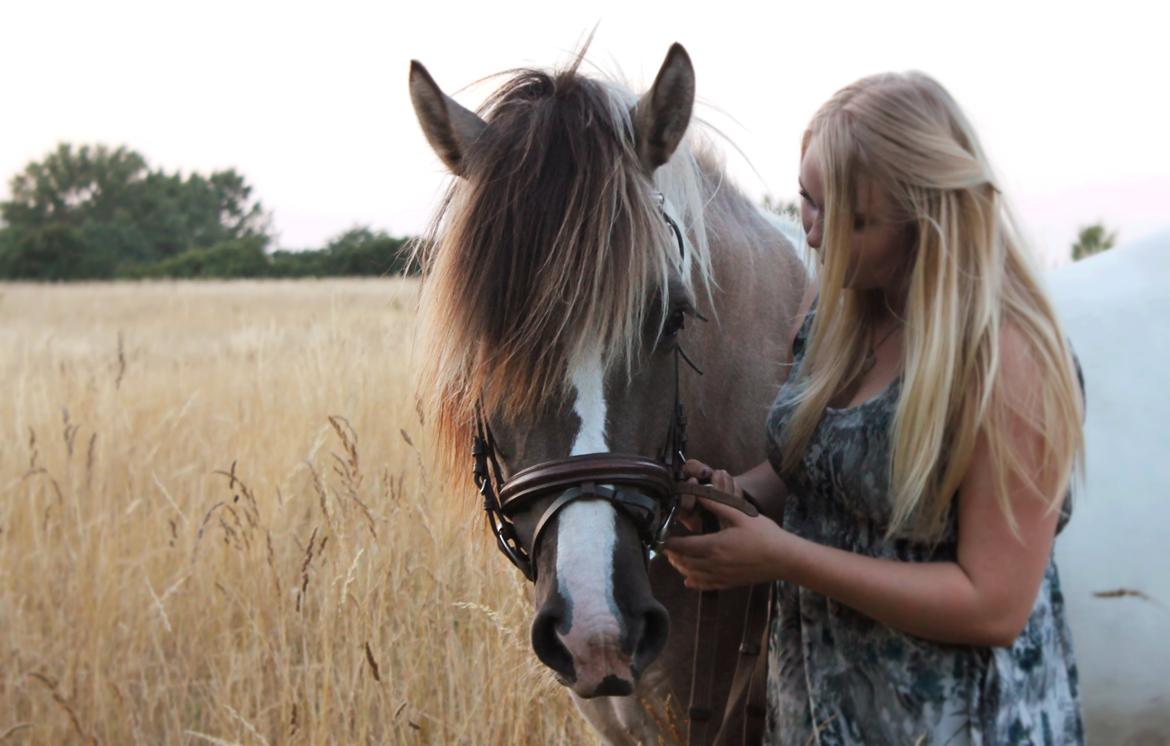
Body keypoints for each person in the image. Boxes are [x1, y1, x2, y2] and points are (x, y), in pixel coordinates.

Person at [663, 71, 1085, 744]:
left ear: (927, 217)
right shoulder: (836, 312)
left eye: (853, 219)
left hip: (956, 723)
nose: (812, 234)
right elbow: (815, 470)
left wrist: (783, 559)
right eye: (806, 201)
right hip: (822, 713)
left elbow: (994, 605)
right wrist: (731, 496)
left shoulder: (1006, 357)